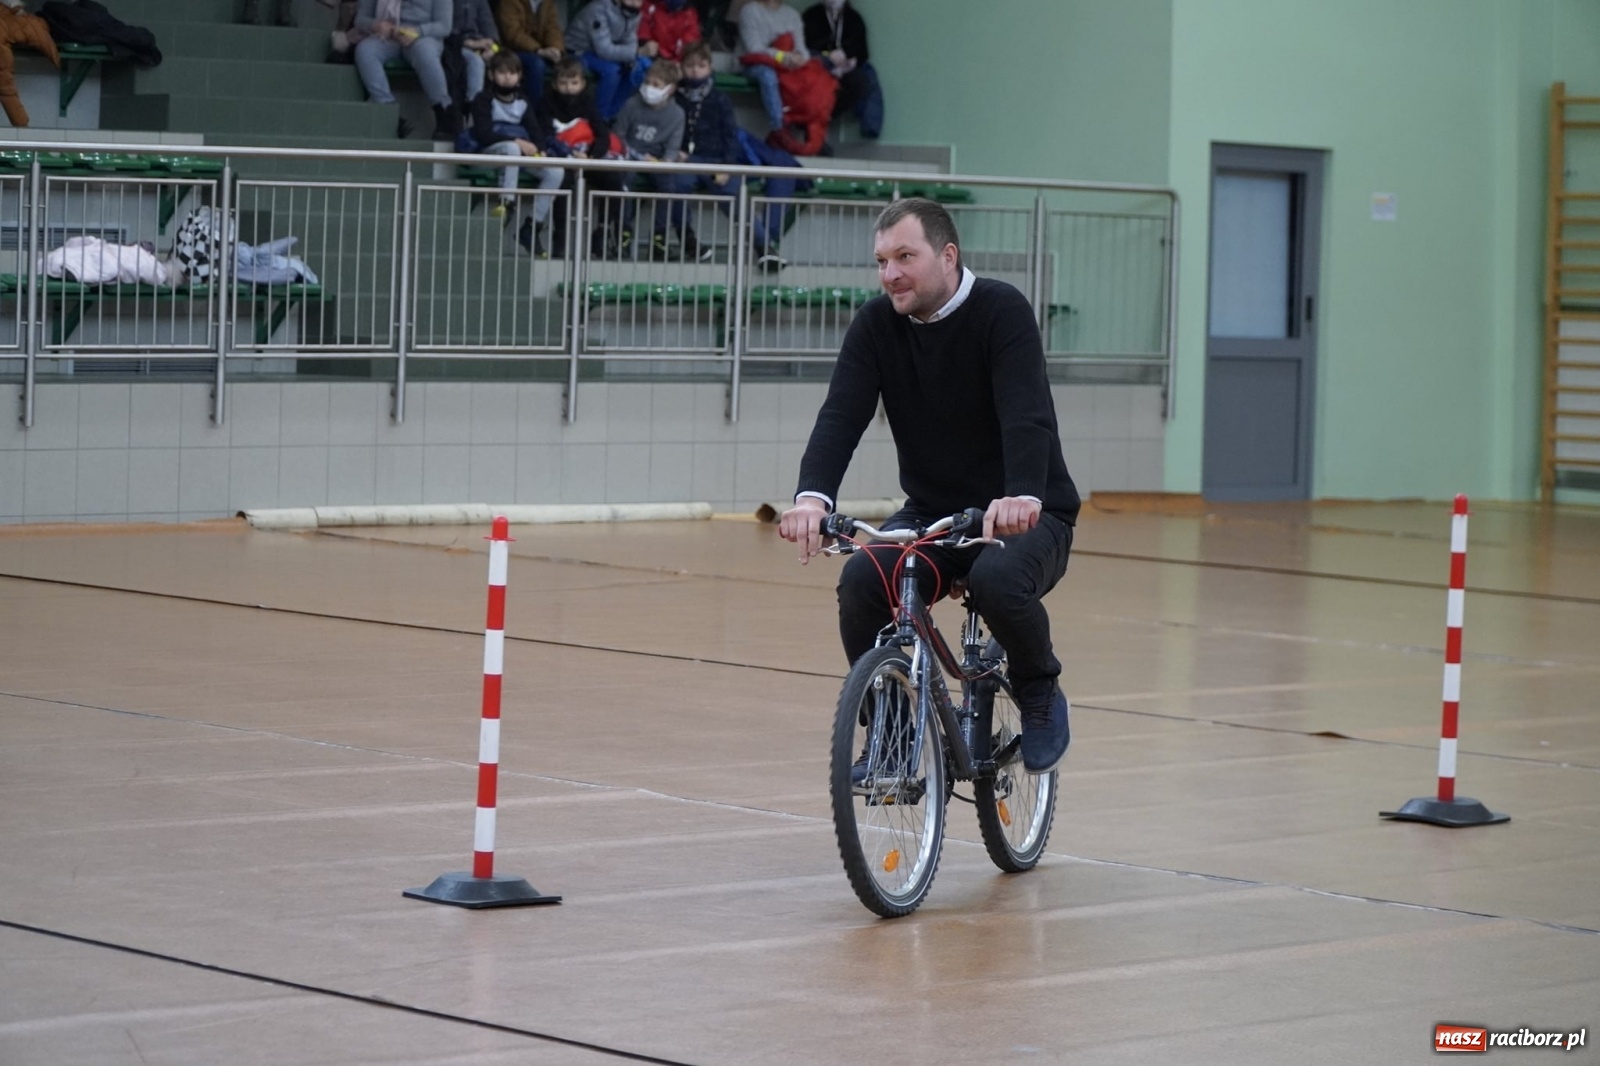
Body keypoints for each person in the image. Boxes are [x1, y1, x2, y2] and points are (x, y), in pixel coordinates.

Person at [778, 198, 1077, 776]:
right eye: (882, 260)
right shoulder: (875, 325)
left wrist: (1021, 495)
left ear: (947, 256)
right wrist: (812, 498)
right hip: (934, 512)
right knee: (863, 581)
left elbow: (1025, 414)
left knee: (996, 580)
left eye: (905, 257)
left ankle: (1039, 688)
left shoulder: (1000, 310)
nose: (890, 274)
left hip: (1027, 511)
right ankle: (890, 723)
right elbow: (840, 416)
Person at [656, 42, 779, 265]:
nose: (695, 70)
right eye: (690, 65)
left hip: (716, 161)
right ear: (682, 67)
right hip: (685, 160)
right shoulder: (674, 97)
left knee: (736, 195)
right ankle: (688, 239)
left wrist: (727, 165)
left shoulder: (720, 98)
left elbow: (730, 135)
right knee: (678, 185)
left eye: (701, 65)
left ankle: (764, 248)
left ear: (710, 67)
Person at [530, 57, 625, 257]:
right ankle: (560, 241)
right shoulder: (545, 104)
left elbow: (602, 135)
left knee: (613, 180)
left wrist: (591, 156)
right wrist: (569, 155)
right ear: (555, 84)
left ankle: (603, 233)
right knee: (562, 182)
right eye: (563, 83)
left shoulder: (588, 104)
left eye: (574, 83)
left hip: (586, 158)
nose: (569, 88)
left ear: (582, 84)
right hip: (559, 159)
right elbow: (545, 135)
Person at [469, 51, 564, 240]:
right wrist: (516, 142)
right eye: (502, 72)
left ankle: (532, 225)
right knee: (511, 149)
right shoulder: (483, 99)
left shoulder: (522, 101)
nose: (507, 77)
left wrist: (541, 150)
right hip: (487, 153)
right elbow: (483, 134)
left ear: (519, 76)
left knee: (556, 171)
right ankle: (507, 202)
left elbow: (535, 129)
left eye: (512, 73)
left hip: (516, 156)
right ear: (491, 75)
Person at [610, 60, 685, 258]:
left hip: (656, 161)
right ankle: (622, 234)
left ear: (669, 90)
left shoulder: (677, 114)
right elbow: (618, 137)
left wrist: (665, 162)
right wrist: (638, 156)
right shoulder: (631, 104)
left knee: (668, 185)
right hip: (630, 157)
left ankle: (659, 239)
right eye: (648, 82)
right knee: (625, 179)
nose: (649, 88)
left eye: (656, 85)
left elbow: (673, 148)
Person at [353, 0, 457, 138]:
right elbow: (360, 19)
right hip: (389, 36)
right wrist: (376, 25)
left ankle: (444, 111)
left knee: (425, 53)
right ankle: (387, 110)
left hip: (423, 36)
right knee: (365, 50)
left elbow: (444, 26)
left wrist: (418, 31)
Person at [801, 0, 879, 140]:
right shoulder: (811, 16)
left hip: (846, 67)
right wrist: (828, 57)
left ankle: (825, 117)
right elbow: (806, 46)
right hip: (819, 64)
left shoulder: (853, 18)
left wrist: (848, 57)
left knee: (862, 81)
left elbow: (862, 51)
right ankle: (813, 122)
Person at [565, 0, 651, 121]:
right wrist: (635, 53)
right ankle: (599, 116)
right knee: (612, 71)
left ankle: (613, 113)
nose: (633, 3)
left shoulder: (635, 14)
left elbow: (630, 40)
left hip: (605, 52)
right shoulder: (598, 9)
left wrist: (632, 54)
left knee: (634, 68)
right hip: (579, 50)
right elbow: (604, 50)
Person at [737, 0, 805, 134]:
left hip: (787, 65)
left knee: (812, 75)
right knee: (768, 75)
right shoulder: (750, 11)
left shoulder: (792, 15)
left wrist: (799, 57)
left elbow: (801, 48)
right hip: (752, 64)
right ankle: (780, 130)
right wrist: (783, 57)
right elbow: (754, 48)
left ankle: (809, 131)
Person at [493, 0, 562, 90]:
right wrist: (538, 50)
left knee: (570, 63)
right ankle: (534, 103)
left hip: (541, 50)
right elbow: (512, 33)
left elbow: (552, 28)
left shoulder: (547, 2)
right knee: (536, 64)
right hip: (511, 51)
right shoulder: (509, 2)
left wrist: (555, 48)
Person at [450, 0, 500, 114]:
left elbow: (488, 25)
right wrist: (467, 43)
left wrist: (492, 47)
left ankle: (499, 115)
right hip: (454, 46)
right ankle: (474, 109)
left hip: (480, 45)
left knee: (502, 61)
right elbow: (445, 29)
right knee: (475, 61)